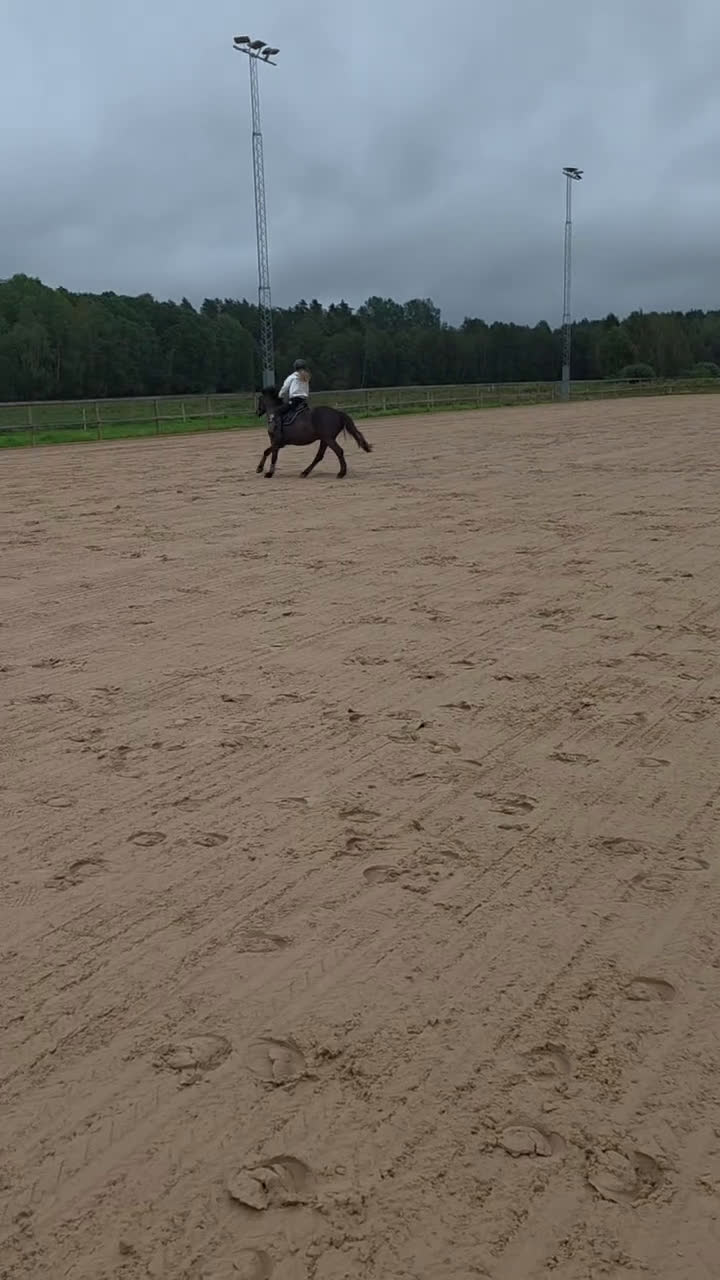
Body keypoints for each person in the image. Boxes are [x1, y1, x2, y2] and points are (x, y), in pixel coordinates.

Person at [275, 360, 310, 435]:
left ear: (295, 367)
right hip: (304, 401)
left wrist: (280, 395)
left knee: (278, 412)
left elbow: (285, 388)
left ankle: (279, 432)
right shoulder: (306, 377)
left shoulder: (292, 377)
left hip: (295, 401)